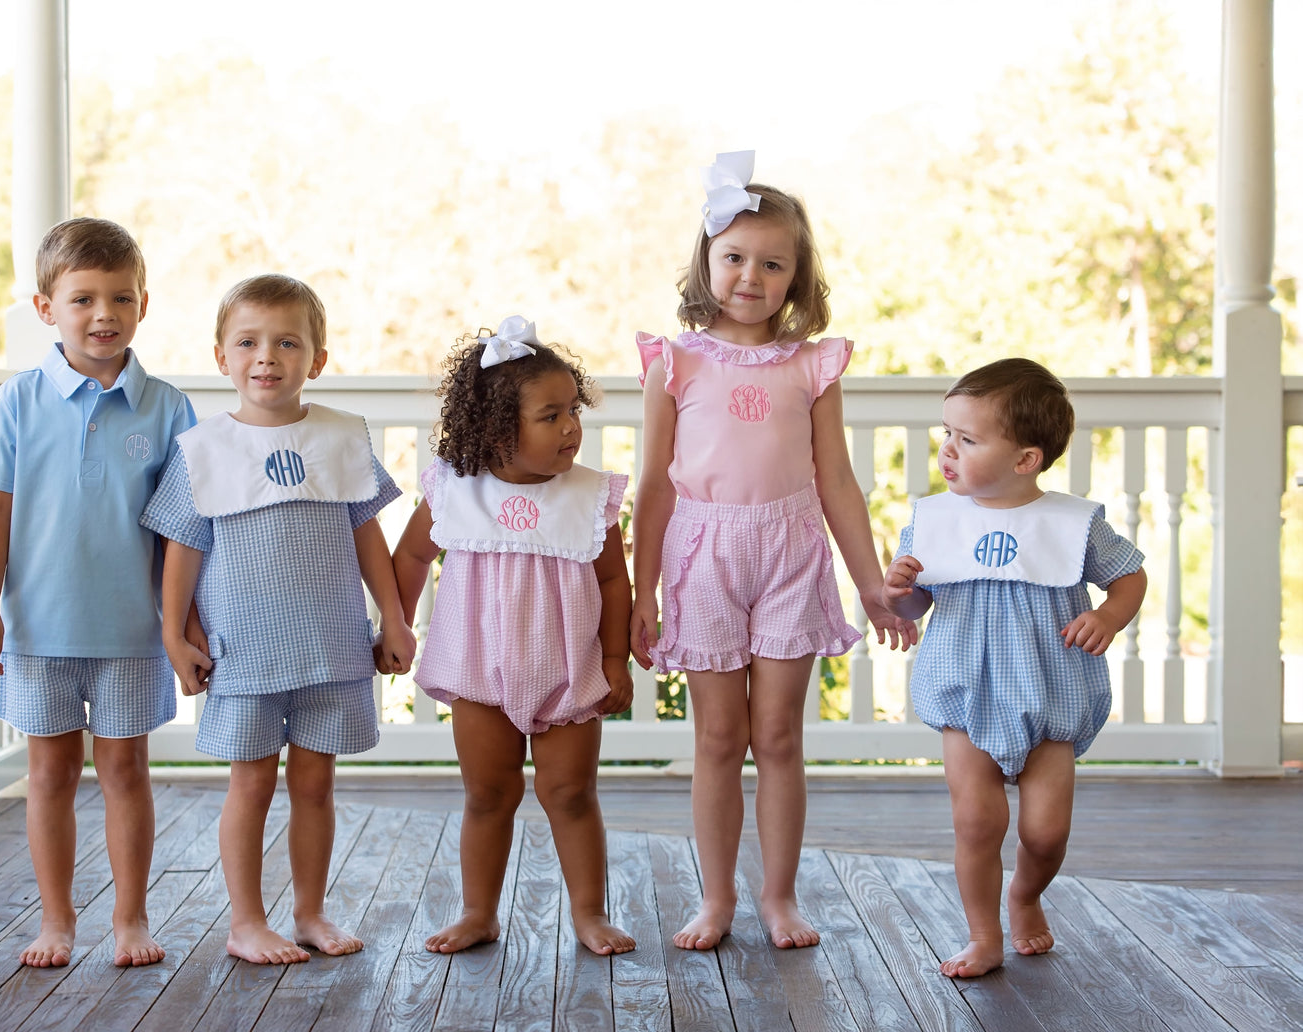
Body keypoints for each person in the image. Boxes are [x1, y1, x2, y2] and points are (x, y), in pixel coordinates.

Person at [629, 152, 916, 952]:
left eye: (771, 264)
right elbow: (652, 485)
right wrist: (642, 590)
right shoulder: (674, 363)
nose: (749, 277)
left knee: (780, 735)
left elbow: (838, 483)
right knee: (718, 738)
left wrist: (870, 583)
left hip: (791, 552)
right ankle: (714, 898)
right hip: (703, 555)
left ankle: (779, 896)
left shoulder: (811, 366)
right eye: (733, 257)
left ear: (796, 276)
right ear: (705, 259)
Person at [140, 274, 414, 965]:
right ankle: (246, 922)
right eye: (248, 342)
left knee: (316, 785)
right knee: (252, 782)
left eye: (287, 343)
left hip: (331, 647)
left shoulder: (341, 437)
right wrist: (174, 634)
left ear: (316, 359)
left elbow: (368, 537)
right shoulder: (202, 449)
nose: (266, 356)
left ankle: (310, 913)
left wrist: (394, 618)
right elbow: (182, 548)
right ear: (221, 357)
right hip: (245, 653)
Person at [0, 217, 196, 969]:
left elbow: (184, 531)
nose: (103, 315)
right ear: (46, 308)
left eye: (120, 298)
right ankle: (56, 920)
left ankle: (131, 919)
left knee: (126, 773)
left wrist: (181, 624)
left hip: (131, 631)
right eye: (82, 299)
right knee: (50, 775)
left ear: (143, 305)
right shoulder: (19, 400)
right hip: (38, 629)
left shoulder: (167, 407)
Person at [883, 357, 1146, 978]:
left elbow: (1129, 577)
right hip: (967, 692)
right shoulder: (935, 519)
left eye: (968, 440)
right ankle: (983, 936)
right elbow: (919, 601)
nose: (948, 450)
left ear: (1026, 459)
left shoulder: (1072, 523)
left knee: (1047, 833)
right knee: (977, 822)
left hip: (1050, 694)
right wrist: (901, 592)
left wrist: (1108, 617)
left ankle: (1025, 895)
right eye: (946, 433)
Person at [389, 316, 636, 956]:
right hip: (477, 672)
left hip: (568, 671)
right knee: (487, 795)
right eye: (551, 416)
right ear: (498, 430)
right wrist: (398, 624)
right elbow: (411, 556)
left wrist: (615, 659)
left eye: (573, 410)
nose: (571, 427)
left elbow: (614, 581)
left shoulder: (588, 497)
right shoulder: (455, 489)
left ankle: (589, 913)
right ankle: (478, 912)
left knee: (571, 794)